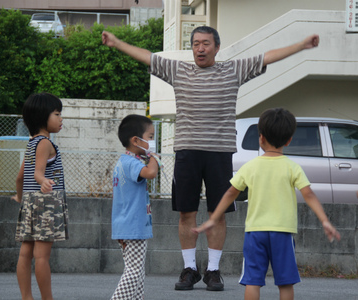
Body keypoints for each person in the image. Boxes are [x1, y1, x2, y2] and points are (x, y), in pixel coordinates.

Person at [102, 26, 320, 291]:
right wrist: (116, 41)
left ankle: (213, 271)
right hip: (187, 151)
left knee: (218, 214)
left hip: (219, 152)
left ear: (217, 47)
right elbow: (148, 56)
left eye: (205, 43)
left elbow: (267, 57)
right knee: (186, 212)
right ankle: (189, 269)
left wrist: (301, 45)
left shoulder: (233, 70)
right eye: (195, 44)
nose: (200, 48)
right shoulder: (178, 70)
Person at [193, 108, 341, 300]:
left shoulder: (250, 166)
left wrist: (213, 219)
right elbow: (309, 195)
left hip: (255, 232)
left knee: (253, 281)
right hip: (283, 232)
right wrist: (325, 221)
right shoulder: (292, 167)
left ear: (261, 138)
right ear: (289, 140)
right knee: (285, 282)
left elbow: (230, 193)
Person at [12, 93, 68, 300]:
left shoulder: (32, 143)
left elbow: (20, 178)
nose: (61, 119)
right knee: (42, 257)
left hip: (29, 202)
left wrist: (20, 198)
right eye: (57, 114)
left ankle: (26, 297)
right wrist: (43, 181)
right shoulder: (45, 143)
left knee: (25, 254)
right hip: (46, 203)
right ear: (42, 117)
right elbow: (38, 172)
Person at [111, 114, 160, 300]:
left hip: (128, 226)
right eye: (150, 137)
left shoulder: (124, 162)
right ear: (135, 140)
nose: (153, 141)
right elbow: (151, 173)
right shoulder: (131, 163)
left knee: (137, 273)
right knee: (133, 272)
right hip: (133, 227)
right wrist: (154, 156)